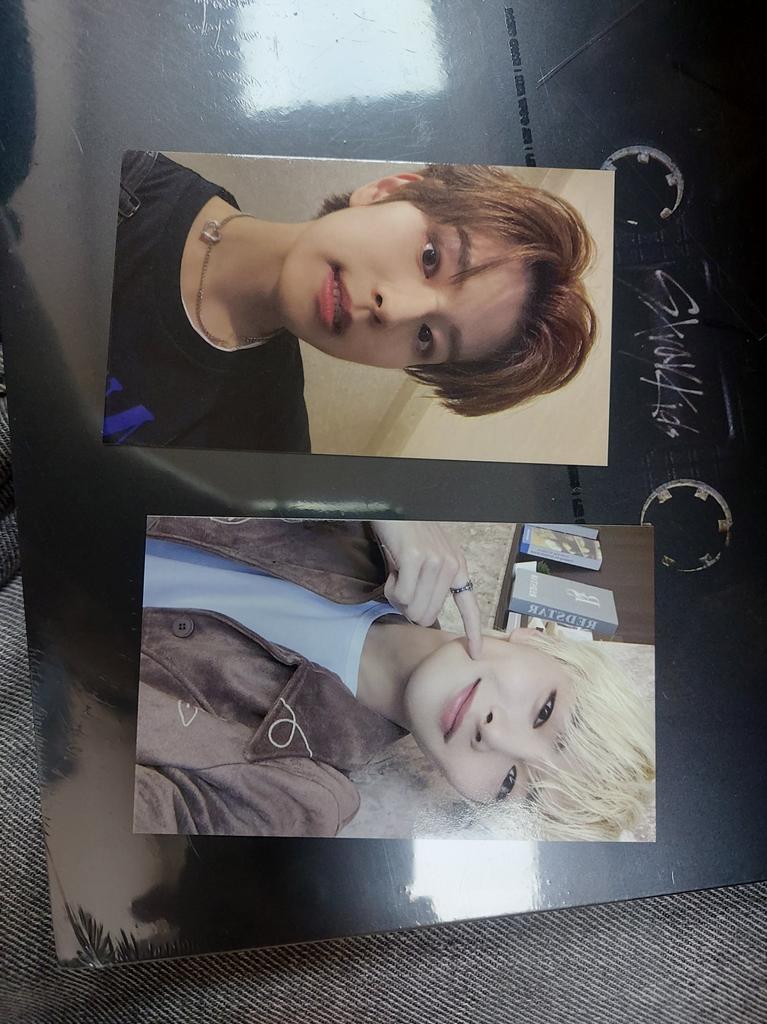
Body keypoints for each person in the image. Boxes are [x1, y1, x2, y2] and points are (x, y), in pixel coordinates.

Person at [134, 517, 654, 842]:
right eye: (544, 711)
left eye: (511, 783)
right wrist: (374, 491)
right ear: (536, 637)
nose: (494, 734)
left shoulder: (295, 797)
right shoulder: (377, 530)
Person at [104, 151, 597, 450]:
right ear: (387, 190)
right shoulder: (118, 176)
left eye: (427, 337)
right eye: (430, 257)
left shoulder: (263, 444)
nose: (394, 309)